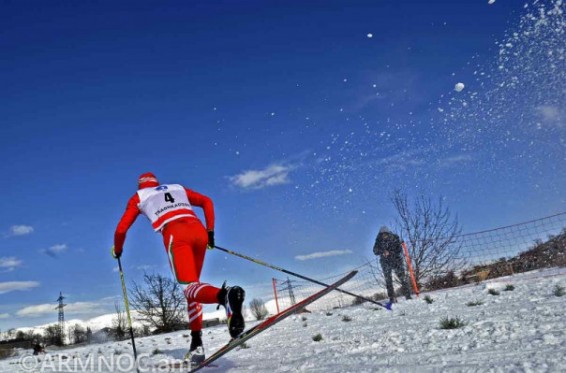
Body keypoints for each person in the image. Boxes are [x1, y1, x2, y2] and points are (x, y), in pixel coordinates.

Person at [112, 172, 245, 365]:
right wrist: (210, 232)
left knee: (189, 288)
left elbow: (121, 230)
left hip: (176, 234)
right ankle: (196, 344)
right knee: (194, 290)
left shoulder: (139, 197)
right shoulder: (176, 188)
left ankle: (225, 295)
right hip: (199, 231)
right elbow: (207, 201)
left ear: (140, 185)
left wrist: (117, 250)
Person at [373, 226, 411, 304]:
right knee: (388, 280)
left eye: (385, 234)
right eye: (382, 234)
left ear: (388, 233)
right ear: (380, 234)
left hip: (396, 261)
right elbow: (375, 251)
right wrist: (383, 251)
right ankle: (392, 298)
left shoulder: (395, 238)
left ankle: (408, 295)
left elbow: (399, 249)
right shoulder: (378, 241)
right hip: (385, 262)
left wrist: (390, 253)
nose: (384, 236)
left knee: (402, 278)